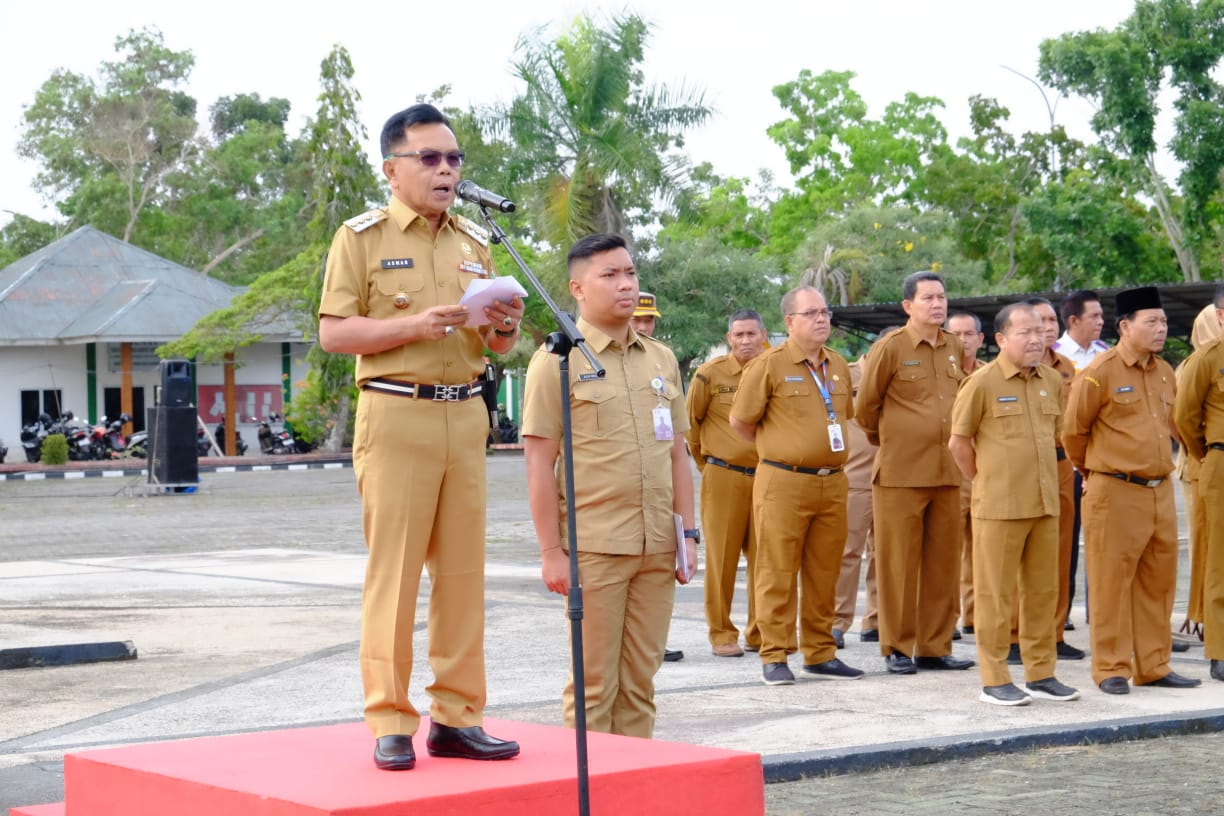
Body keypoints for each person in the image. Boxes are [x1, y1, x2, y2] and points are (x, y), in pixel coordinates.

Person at [318, 103, 523, 770]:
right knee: (396, 574)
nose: (445, 171)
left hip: (465, 412)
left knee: (463, 576)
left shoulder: (474, 241)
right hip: (397, 411)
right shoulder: (361, 237)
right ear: (392, 169)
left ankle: (458, 718)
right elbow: (334, 333)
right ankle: (390, 719)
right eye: (429, 158)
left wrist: (505, 325)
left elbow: (494, 343)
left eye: (454, 159)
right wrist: (413, 326)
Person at [522, 233, 696, 738]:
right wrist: (551, 552)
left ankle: (632, 779)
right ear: (578, 288)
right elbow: (538, 462)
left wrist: (687, 534)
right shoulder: (557, 361)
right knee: (593, 685)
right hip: (595, 548)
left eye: (630, 273)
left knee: (641, 683)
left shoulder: (660, 359)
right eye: (610, 275)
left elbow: (677, 454)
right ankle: (590, 782)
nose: (626, 285)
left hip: (657, 546)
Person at [1063, 286, 1201, 695]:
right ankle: (1111, 667)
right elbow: (1073, 432)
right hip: (1115, 489)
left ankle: (1154, 665)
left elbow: (1173, 424)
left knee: (1158, 582)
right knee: (1110, 582)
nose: (1161, 329)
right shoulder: (1100, 372)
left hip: (1159, 490)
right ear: (1125, 326)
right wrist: (1094, 472)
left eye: (1163, 321)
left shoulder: (1164, 371)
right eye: (1151, 322)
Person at [730, 286, 865, 685]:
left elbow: (843, 415)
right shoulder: (768, 365)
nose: (822, 319)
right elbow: (741, 422)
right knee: (777, 570)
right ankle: (775, 653)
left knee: (825, 570)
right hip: (784, 481)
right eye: (811, 313)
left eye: (825, 312)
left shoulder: (837, 364)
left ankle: (820, 652)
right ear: (789, 322)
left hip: (832, 482)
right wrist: (779, 450)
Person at [949, 303, 1079, 706]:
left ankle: (1041, 673)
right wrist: (986, 480)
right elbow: (958, 443)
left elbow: (1056, 437)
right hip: (1000, 506)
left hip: (1044, 503)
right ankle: (995, 678)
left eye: (1040, 331)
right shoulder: (982, 382)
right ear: (1002, 339)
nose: (1036, 339)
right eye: (1025, 332)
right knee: (995, 595)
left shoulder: (1051, 380)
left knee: (1042, 592)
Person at [855, 271, 973, 675]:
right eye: (928, 298)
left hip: (947, 472)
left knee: (943, 564)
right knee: (898, 565)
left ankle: (934, 646)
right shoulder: (890, 347)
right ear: (908, 305)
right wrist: (892, 439)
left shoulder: (954, 346)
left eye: (941, 297)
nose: (937, 304)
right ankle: (898, 647)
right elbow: (865, 408)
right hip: (901, 473)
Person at [686, 309, 768, 657]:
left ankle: (760, 632)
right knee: (722, 559)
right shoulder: (710, 374)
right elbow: (691, 424)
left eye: (752, 334)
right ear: (729, 338)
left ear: (763, 335)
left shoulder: (775, 369)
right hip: (723, 476)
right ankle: (722, 633)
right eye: (739, 335)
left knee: (766, 559)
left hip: (768, 477)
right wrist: (708, 465)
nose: (746, 341)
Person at [626, 290, 685, 662]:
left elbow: (679, 443)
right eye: (638, 319)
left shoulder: (663, 360)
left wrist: (688, 532)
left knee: (654, 588)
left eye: (649, 320)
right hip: (615, 503)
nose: (644, 326)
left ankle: (654, 643)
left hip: (658, 497)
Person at [1025, 297, 1085, 662]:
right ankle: (1016, 634)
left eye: (1051, 321)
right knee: (1022, 553)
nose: (1047, 328)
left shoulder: (1066, 368)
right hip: (1023, 468)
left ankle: (1056, 632)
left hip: (1062, 465)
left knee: (1062, 551)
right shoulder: (1011, 368)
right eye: (1039, 322)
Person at [1173, 284, 1224, 684]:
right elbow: (1184, 418)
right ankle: (1220, 650)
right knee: (1219, 559)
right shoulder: (1206, 360)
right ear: (1220, 316)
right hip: (1220, 461)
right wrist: (1205, 452)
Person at [1053, 289, 1110, 627]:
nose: (1101, 321)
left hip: (1103, 464)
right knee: (1066, 543)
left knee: (1104, 542)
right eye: (1094, 316)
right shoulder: (1054, 356)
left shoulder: (1107, 354)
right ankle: (1061, 616)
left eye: (1102, 315)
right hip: (1069, 462)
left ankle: (1100, 611)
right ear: (1073, 320)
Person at [833, 354, 881, 647]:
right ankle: (836, 622)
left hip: (893, 475)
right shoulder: (844, 375)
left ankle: (876, 620)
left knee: (886, 554)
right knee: (847, 553)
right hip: (855, 476)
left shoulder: (901, 374)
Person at [946, 312, 986, 638]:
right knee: (948, 550)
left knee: (983, 549)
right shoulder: (939, 374)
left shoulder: (991, 375)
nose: (963, 340)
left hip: (984, 471)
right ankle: (946, 619)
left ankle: (975, 615)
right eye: (955, 334)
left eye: (969, 334)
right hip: (948, 471)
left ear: (981, 339)